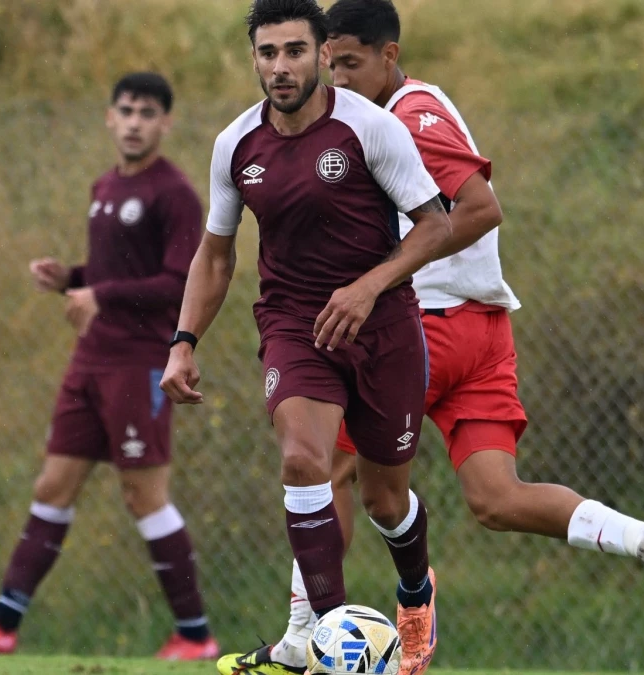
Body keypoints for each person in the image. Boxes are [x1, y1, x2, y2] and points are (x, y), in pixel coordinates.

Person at [217, 2, 644, 673]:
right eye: (331, 65)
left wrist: (378, 278)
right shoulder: (396, 112)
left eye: (350, 64)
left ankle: (304, 640)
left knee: (321, 465)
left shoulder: (407, 117)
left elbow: (478, 208)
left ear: (389, 56)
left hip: (429, 326)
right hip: (483, 331)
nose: (339, 79)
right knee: (495, 499)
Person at [159, 0, 453, 672]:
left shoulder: (370, 128)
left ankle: (416, 591)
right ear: (254, 60)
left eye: (294, 51)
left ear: (322, 55)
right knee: (301, 459)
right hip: (296, 325)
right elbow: (215, 256)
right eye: (267, 54)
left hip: (383, 327)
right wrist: (183, 340)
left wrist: (369, 286)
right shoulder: (236, 144)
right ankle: (326, 639)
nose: (280, 67)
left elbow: (436, 224)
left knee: (385, 500)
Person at [0, 72, 219, 661]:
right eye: (126, 110)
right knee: (53, 486)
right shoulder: (104, 186)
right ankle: (3, 622)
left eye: (147, 113)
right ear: (109, 117)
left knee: (144, 496)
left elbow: (179, 281)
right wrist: (71, 278)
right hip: (90, 359)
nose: (134, 122)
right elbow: (115, 271)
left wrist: (100, 294)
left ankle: (195, 635)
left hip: (139, 362)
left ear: (166, 123)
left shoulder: (174, 194)